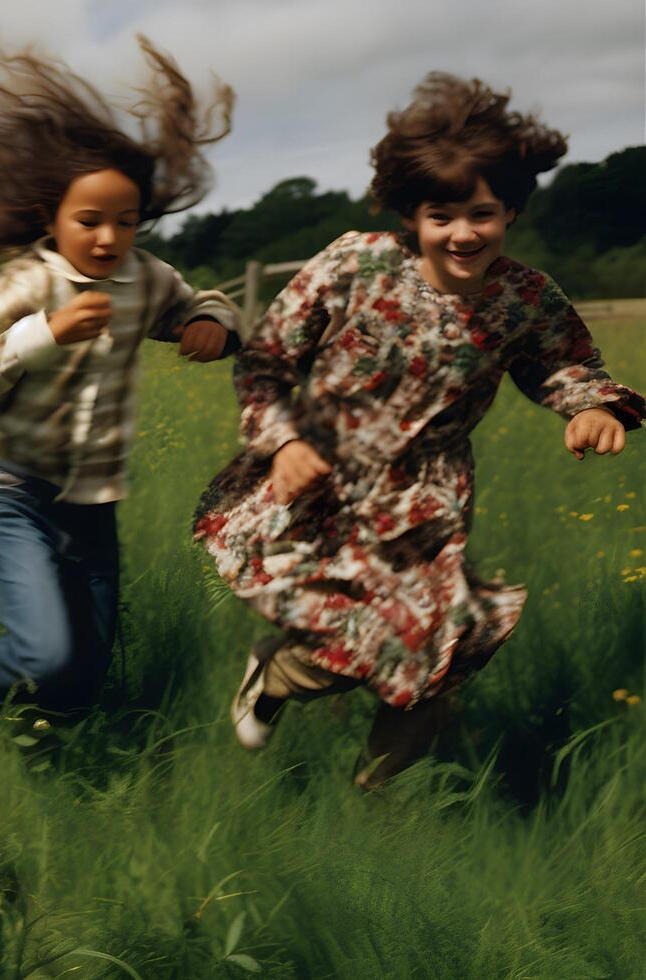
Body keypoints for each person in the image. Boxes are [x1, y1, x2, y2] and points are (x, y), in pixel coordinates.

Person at [193, 73, 643, 788]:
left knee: (437, 650)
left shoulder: (525, 297)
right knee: (351, 640)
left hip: (429, 492)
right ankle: (276, 671)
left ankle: (377, 800)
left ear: (511, 213)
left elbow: (565, 365)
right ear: (413, 214)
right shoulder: (354, 265)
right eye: (442, 215)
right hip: (325, 470)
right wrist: (281, 441)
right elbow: (266, 361)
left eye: (483, 214)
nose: (463, 232)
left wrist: (590, 407)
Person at [0, 40, 243, 766]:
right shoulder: (28, 285)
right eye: (89, 220)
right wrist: (41, 334)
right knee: (41, 644)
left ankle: (45, 753)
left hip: (94, 502)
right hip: (17, 492)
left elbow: (206, 305)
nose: (107, 238)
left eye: (125, 221)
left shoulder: (147, 277)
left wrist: (211, 326)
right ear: (52, 215)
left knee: (82, 674)